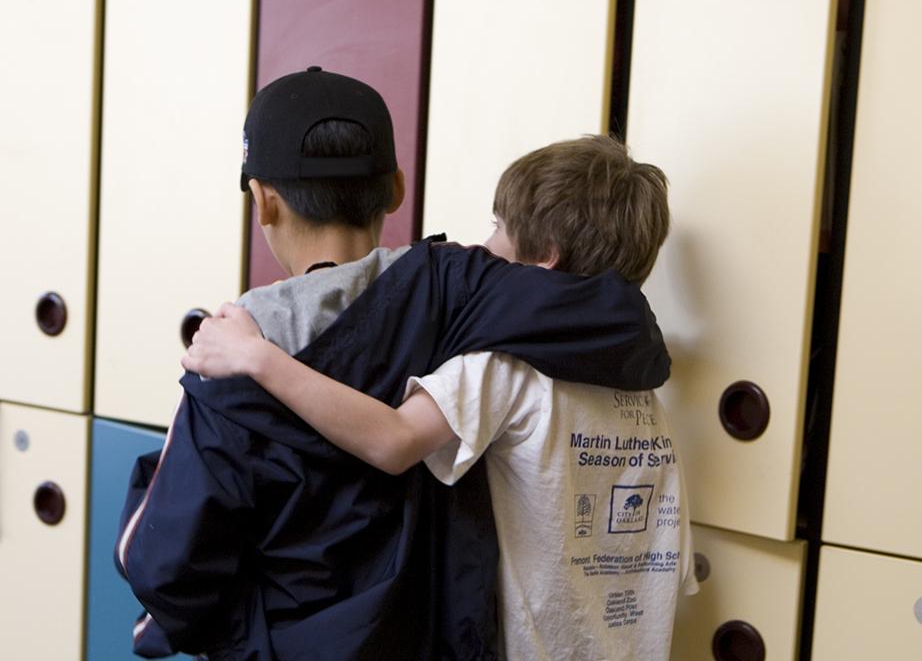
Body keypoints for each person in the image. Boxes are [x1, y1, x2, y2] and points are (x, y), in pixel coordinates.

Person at [116, 68, 672, 661]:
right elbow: (620, 316)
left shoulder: (239, 342)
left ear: (263, 202)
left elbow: (167, 566)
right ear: (396, 189)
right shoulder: (460, 293)